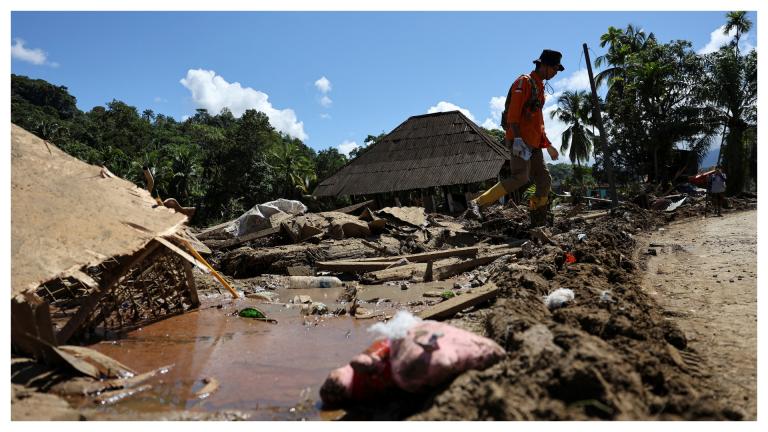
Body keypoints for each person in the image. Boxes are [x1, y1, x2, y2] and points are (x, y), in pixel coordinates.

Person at [467, 49, 562, 226]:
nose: (556, 73)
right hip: (520, 140)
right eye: (555, 68)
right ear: (545, 65)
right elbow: (513, 114)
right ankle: (477, 204)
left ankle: (537, 218)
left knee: (544, 179)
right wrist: (517, 138)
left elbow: (537, 122)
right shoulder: (524, 82)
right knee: (520, 177)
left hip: (534, 144)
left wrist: (547, 144)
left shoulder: (539, 87)